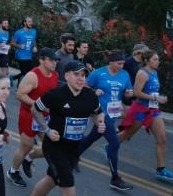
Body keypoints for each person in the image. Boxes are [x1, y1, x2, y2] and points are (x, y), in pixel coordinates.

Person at [30, 61, 105, 196]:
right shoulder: (55, 94)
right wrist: (47, 130)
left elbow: (97, 113)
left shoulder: (90, 96)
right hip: (54, 146)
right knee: (68, 183)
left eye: (83, 75)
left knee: (51, 180)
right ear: (66, 76)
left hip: (73, 148)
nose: (81, 78)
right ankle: (30, 156)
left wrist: (100, 123)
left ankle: (30, 157)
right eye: (76, 74)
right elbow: (35, 109)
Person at [76, 51, 133, 190]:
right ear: (111, 62)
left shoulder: (125, 75)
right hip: (100, 114)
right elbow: (84, 86)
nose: (121, 66)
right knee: (114, 144)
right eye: (119, 63)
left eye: (123, 64)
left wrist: (128, 94)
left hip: (113, 114)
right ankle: (115, 178)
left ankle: (71, 156)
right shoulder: (99, 73)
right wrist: (94, 92)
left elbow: (128, 93)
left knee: (91, 138)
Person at [118, 50, 173, 182]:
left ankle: (160, 170)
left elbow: (152, 90)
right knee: (127, 134)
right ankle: (111, 145)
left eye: (158, 59)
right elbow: (137, 93)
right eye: (155, 59)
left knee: (162, 139)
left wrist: (157, 99)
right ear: (147, 61)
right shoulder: (142, 73)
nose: (158, 62)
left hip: (153, 109)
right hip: (141, 109)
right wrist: (156, 97)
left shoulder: (155, 72)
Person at [7, 48, 60, 188]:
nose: (55, 62)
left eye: (56, 60)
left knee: (51, 147)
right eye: (51, 60)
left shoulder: (55, 75)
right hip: (29, 116)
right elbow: (20, 95)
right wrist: (38, 105)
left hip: (45, 117)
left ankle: (29, 158)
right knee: (26, 146)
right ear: (41, 60)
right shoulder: (33, 76)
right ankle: (13, 171)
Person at [11, 16, 38, 82]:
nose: (31, 23)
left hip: (29, 55)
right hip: (21, 56)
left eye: (31, 21)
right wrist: (19, 46)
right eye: (29, 22)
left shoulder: (34, 31)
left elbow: (34, 40)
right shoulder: (19, 32)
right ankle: (19, 87)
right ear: (24, 23)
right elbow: (12, 42)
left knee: (30, 73)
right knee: (26, 73)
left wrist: (35, 47)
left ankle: (13, 78)